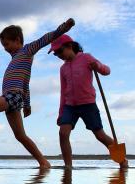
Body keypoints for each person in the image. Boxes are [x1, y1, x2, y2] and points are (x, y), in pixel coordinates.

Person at [0, 17, 75, 167]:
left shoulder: (27, 50)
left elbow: (45, 39)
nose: (5, 48)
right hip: (15, 98)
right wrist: (27, 104)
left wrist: (64, 28)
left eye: (6, 44)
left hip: (12, 96)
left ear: (17, 39)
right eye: (3, 45)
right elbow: (26, 82)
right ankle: (43, 162)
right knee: (20, 136)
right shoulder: (15, 60)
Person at [49, 35, 128, 169]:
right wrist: (61, 113)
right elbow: (63, 92)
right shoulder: (63, 69)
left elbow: (107, 71)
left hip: (88, 104)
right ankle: (68, 166)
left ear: (69, 46)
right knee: (63, 133)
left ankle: (122, 160)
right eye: (55, 54)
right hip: (69, 106)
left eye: (59, 51)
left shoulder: (86, 58)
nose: (58, 55)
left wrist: (97, 66)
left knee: (100, 135)